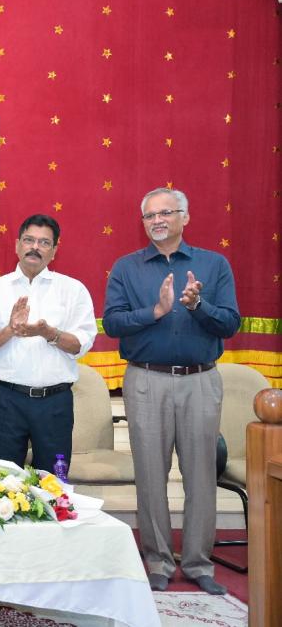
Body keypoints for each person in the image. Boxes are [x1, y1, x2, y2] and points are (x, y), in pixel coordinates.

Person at [103, 188, 239, 595]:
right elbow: (113, 323)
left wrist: (198, 306)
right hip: (146, 380)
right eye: (149, 215)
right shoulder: (126, 267)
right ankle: (158, 561)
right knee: (150, 475)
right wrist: (156, 312)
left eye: (166, 212)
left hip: (200, 380)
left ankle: (198, 563)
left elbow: (230, 323)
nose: (157, 220)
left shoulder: (214, 264)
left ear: (185, 217)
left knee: (201, 475)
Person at [0, 214, 97, 474]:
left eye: (44, 242)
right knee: (3, 483)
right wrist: (10, 330)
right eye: (29, 240)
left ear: (55, 250)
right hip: (7, 400)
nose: (35, 247)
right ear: (17, 245)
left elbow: (81, 344)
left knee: (53, 484)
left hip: (55, 402)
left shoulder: (73, 290)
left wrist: (49, 333)